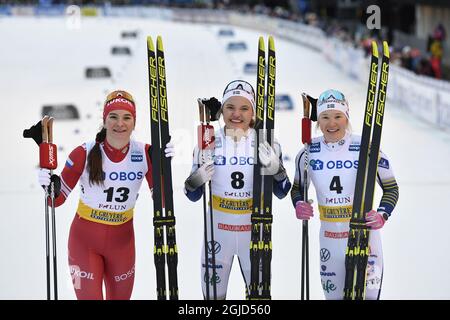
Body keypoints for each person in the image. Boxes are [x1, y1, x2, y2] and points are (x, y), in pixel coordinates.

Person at [37, 90, 175, 300]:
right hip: (84, 242)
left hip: (123, 243)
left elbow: (163, 202)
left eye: (126, 117)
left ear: (134, 122)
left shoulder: (145, 153)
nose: (120, 123)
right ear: (104, 120)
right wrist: (48, 182)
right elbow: (55, 200)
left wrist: (163, 168)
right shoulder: (83, 152)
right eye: (113, 117)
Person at [184, 80, 291, 299]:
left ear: (253, 112)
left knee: (259, 299)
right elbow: (191, 194)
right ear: (221, 110)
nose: (236, 114)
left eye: (244, 108)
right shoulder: (208, 142)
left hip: (253, 235)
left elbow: (283, 191)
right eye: (230, 107)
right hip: (217, 235)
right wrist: (198, 177)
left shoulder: (267, 142)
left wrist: (276, 169)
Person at [291, 89, 399, 300]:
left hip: (366, 240)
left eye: (338, 116)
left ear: (347, 117)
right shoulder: (307, 152)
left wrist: (382, 214)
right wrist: (299, 204)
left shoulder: (366, 146)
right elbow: (297, 189)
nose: (332, 123)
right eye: (325, 117)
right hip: (330, 241)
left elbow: (391, 187)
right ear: (318, 121)